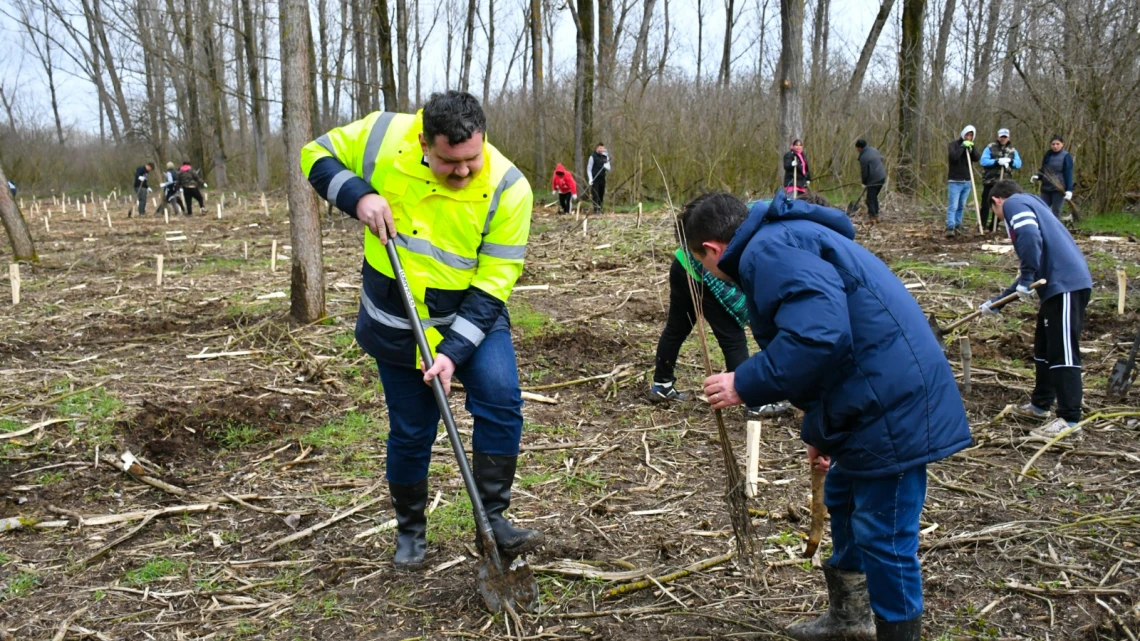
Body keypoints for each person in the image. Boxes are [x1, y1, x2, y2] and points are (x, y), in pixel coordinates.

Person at [689, 190, 971, 641]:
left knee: (884, 532)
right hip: (871, 398)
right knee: (842, 496)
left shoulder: (768, 251)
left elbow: (817, 338)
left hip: (893, 405)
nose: (709, 272)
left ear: (712, 249)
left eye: (703, 264)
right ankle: (850, 618)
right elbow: (830, 350)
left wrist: (742, 382)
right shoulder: (781, 240)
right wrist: (821, 430)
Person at [300, 91, 541, 570]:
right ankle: (410, 530)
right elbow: (315, 154)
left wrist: (452, 353)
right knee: (411, 431)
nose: (465, 171)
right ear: (423, 142)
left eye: (473, 157)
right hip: (397, 315)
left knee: (500, 396)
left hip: (471, 313)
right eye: (450, 162)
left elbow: (494, 284)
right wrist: (359, 195)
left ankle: (492, 519)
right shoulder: (382, 135)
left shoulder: (510, 188)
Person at [982, 180, 1092, 440]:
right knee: (1045, 349)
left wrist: (1026, 276)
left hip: (1065, 285)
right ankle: (1040, 406)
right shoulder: (1033, 203)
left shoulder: (1015, 203)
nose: (1001, 220)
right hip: (1053, 286)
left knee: (1063, 351)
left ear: (997, 200)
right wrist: (999, 301)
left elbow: (1030, 237)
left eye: (996, 214)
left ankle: (1069, 418)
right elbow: (1032, 269)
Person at [978, 128, 1022, 232]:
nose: (1003, 139)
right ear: (998, 136)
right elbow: (983, 161)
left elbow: (1018, 164)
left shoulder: (1012, 150)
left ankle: (993, 226)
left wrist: (1010, 161)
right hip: (990, 181)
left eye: (1005, 137)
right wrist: (997, 161)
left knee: (1001, 204)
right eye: (1001, 136)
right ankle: (982, 225)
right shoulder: (990, 147)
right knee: (986, 204)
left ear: (1008, 137)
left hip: (1004, 183)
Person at [946, 125, 980, 237]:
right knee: (953, 206)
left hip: (967, 180)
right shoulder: (953, 145)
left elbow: (976, 158)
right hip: (955, 181)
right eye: (967, 134)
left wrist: (972, 148)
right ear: (963, 134)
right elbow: (954, 157)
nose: (968, 137)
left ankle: (958, 224)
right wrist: (962, 147)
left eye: (971, 135)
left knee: (961, 205)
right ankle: (950, 227)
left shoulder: (970, 146)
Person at [1031, 135, 1074, 218]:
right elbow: (1044, 169)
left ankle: (1055, 229)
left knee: (1056, 211)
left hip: (1058, 189)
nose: (1055, 146)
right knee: (1042, 209)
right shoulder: (1048, 155)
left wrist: (1069, 189)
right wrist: (1038, 176)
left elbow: (1068, 173)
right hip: (1046, 188)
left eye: (1057, 144)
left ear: (1062, 144)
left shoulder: (1066, 156)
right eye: (1053, 144)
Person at [855, 139, 886, 222]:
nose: (857, 150)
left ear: (860, 148)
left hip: (874, 179)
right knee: (873, 197)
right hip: (882, 177)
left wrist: (864, 182)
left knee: (869, 199)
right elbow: (881, 158)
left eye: (857, 148)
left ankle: (872, 217)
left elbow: (864, 172)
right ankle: (876, 216)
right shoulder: (874, 150)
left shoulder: (863, 157)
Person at [587, 143, 611, 213]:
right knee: (595, 194)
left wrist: (606, 166)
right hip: (595, 178)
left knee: (601, 194)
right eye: (600, 148)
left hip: (602, 178)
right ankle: (596, 210)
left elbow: (609, 168)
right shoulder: (592, 157)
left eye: (602, 148)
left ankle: (600, 208)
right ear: (597, 148)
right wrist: (590, 178)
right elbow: (589, 169)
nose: (601, 150)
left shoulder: (605, 157)